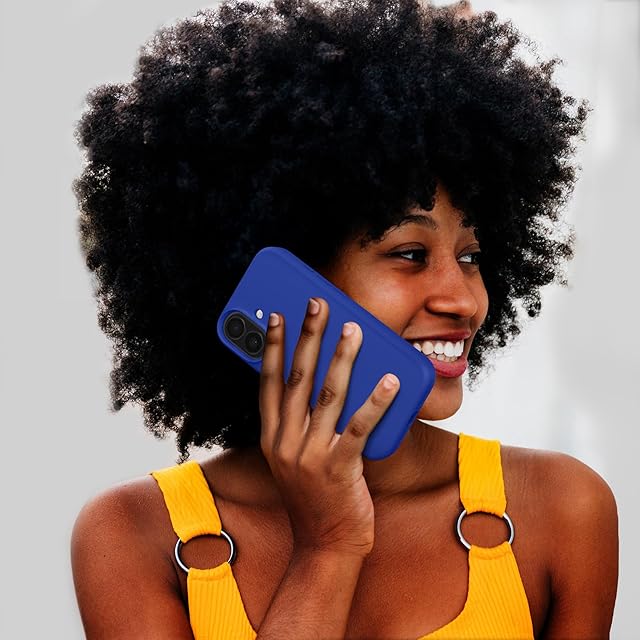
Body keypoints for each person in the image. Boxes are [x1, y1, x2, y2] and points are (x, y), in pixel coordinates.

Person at [70, 1, 618, 638]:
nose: (465, 301)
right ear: (286, 281)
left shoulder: (559, 509)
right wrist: (328, 545)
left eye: (471, 257)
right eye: (410, 254)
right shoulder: (134, 534)